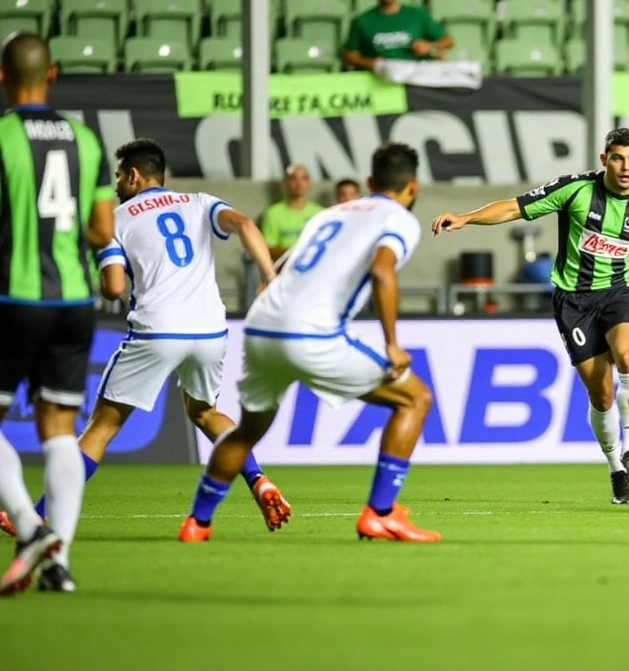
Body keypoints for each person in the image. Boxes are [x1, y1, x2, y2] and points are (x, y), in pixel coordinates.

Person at [0, 139, 292, 542]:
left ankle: (35, 515)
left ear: (134, 175)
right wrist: (269, 279)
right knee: (206, 412)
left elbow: (115, 287)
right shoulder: (199, 201)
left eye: (119, 175)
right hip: (210, 329)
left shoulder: (114, 220)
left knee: (102, 426)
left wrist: (101, 266)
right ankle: (257, 479)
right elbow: (244, 224)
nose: (117, 183)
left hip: (159, 328)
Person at [431, 128, 629, 506]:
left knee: (628, 355)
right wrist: (465, 218)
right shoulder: (575, 191)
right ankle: (616, 469)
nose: (625, 167)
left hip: (622, 293)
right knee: (601, 393)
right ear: (604, 159)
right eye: (618, 158)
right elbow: (514, 207)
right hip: (573, 301)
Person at [179, 143, 438, 544]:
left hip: (262, 326)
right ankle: (381, 513)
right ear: (413, 186)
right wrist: (392, 343)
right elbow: (383, 273)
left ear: (369, 182)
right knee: (415, 398)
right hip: (311, 333)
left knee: (246, 431)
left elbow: (284, 269)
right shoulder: (399, 219)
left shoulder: (330, 214)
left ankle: (197, 522)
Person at [0, 33, 115, 595]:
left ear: (2, 77)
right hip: (74, 302)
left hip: (14, 298)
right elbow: (101, 230)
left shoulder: (0, 137)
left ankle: (28, 527)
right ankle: (59, 564)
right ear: (53, 74)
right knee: (59, 431)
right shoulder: (85, 139)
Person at [342, 0, 455, 71]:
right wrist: (368, 62)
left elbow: (448, 41)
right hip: (378, 78)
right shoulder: (362, 20)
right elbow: (349, 54)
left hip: (413, 76)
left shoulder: (418, 15)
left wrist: (430, 46)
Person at [261, 163, 324, 261]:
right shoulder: (273, 213)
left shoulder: (320, 213)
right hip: (284, 266)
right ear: (285, 183)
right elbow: (268, 247)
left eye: (304, 178)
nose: (299, 183)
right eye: (293, 178)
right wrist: (294, 254)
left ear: (309, 183)